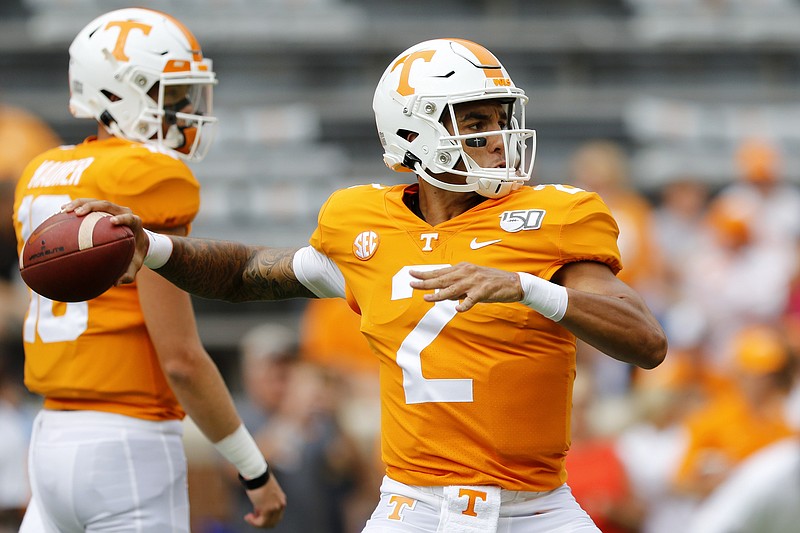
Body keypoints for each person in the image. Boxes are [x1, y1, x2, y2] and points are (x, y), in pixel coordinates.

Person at [66, 38, 667, 533]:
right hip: (414, 508)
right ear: (416, 132)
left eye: (501, 118)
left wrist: (528, 288)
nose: (498, 137)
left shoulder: (554, 218)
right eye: (476, 121)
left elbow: (647, 341)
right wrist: (155, 248)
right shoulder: (363, 224)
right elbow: (251, 272)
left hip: (536, 511)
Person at [13, 8, 285, 531]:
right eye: (171, 95)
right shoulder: (147, 174)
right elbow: (181, 359)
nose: (185, 111)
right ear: (119, 95)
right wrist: (255, 472)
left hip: (49, 437)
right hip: (126, 445)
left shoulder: (40, 171)